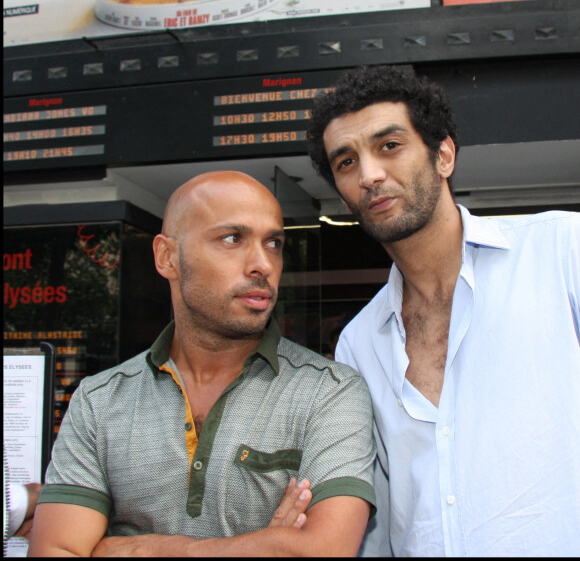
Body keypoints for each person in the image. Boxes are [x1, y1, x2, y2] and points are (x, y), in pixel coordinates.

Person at [306, 64, 580, 556]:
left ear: (444, 155)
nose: (369, 175)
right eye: (346, 162)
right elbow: (378, 517)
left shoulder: (562, 253)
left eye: (389, 145)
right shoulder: (358, 342)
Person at [29, 171, 376, 557]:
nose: (263, 263)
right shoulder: (99, 401)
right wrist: (264, 544)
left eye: (274, 243)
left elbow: (321, 551)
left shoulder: (328, 391)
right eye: (232, 239)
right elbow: (54, 550)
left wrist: (135, 550)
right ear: (168, 257)